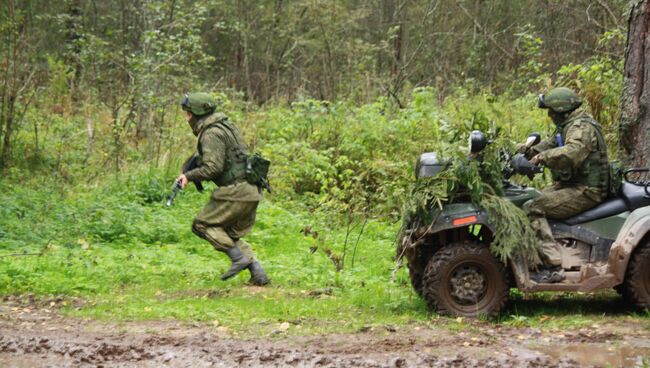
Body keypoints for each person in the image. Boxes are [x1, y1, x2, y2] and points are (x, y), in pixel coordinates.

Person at [176, 92, 269, 286]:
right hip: (251, 190)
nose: (187, 118)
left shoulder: (211, 133)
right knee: (228, 234)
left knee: (202, 225)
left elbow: (213, 167)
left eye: (188, 114)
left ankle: (238, 258)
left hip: (237, 191)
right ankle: (258, 273)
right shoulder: (226, 126)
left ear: (196, 113)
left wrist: (189, 176)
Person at [521, 87, 609, 283]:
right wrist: (524, 152)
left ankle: (552, 266)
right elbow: (551, 144)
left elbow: (571, 152)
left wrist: (541, 158)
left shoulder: (581, 128)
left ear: (562, 110)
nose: (550, 115)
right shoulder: (568, 125)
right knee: (529, 196)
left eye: (552, 111)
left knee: (532, 206)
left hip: (587, 190)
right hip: (573, 185)